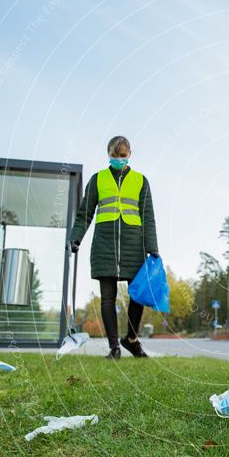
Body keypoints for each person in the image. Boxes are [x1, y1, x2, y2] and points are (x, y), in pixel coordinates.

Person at [68, 135, 159, 359]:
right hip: (104, 244)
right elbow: (84, 214)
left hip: (133, 244)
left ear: (129, 155)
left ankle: (130, 339)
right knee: (107, 297)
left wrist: (152, 247)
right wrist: (75, 237)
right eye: (114, 155)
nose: (119, 159)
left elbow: (148, 217)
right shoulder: (97, 179)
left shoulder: (140, 180)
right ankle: (114, 348)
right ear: (108, 154)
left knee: (138, 295)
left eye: (123, 155)